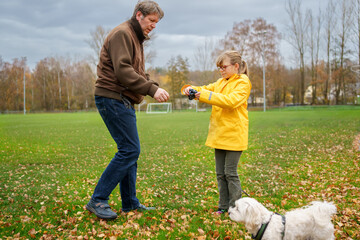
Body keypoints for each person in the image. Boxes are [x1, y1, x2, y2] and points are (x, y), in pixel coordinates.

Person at [86, 0, 169, 220]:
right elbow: (123, 71)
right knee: (130, 150)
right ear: (139, 15)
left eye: (156, 22)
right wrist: (151, 89)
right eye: (151, 20)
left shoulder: (135, 37)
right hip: (112, 97)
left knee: (129, 150)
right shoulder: (122, 34)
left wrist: (152, 85)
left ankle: (130, 203)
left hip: (121, 99)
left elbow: (137, 71)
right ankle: (98, 199)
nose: (154, 25)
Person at [182, 50, 251, 214]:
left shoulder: (243, 82)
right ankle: (223, 207)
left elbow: (230, 101)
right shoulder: (221, 82)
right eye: (219, 67)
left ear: (236, 66)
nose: (221, 70)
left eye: (224, 67)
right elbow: (205, 89)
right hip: (219, 134)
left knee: (230, 173)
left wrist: (204, 94)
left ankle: (236, 209)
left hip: (234, 135)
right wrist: (189, 88)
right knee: (221, 174)